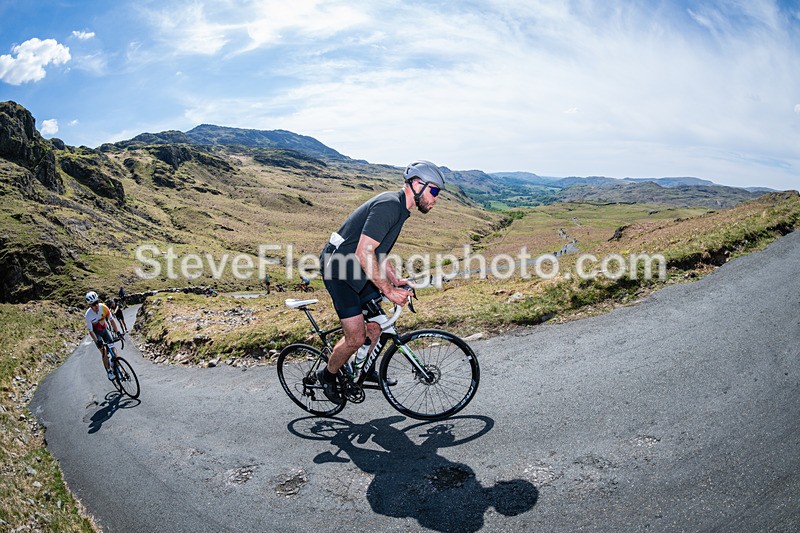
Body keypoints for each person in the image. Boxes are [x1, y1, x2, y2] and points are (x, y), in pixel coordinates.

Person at [317, 160, 445, 402]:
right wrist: (388, 290)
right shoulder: (389, 205)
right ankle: (328, 375)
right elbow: (364, 251)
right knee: (356, 338)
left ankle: (365, 371)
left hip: (358, 269)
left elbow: (378, 251)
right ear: (418, 184)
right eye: (435, 190)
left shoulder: (401, 209)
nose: (436, 198)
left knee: (377, 325)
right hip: (339, 271)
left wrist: (394, 278)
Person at [84, 291, 123, 380]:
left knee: (113, 349)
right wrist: (98, 342)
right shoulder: (88, 315)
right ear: (90, 305)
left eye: (97, 302)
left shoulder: (104, 307)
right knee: (104, 351)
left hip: (104, 330)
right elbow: (91, 331)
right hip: (96, 333)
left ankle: (117, 365)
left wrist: (118, 332)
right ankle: (109, 371)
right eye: (93, 304)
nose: (96, 305)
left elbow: (112, 320)